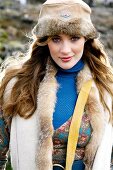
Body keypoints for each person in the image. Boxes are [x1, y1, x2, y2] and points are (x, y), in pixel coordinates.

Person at [0, 0, 113, 169]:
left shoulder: (106, 88)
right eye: (56, 39)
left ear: (86, 39)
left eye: (74, 38)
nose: (65, 50)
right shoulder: (16, 86)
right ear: (45, 41)